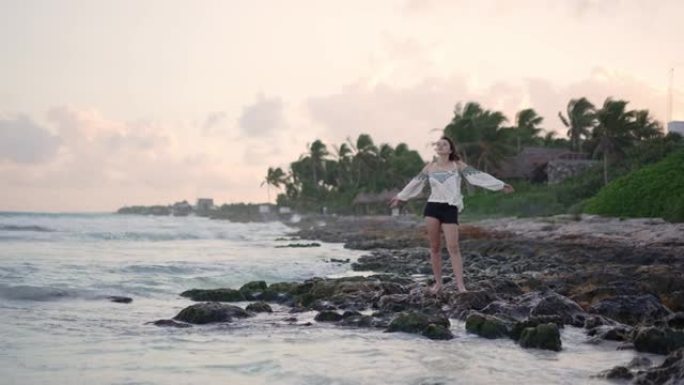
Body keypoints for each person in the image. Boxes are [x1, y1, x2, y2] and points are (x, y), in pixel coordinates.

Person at [389, 136, 514, 294]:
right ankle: (438, 284)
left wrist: (500, 185)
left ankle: (461, 286)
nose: (441, 146)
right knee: (434, 247)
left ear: (450, 149)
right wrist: (400, 197)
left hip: (450, 208)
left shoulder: (458, 166)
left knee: (453, 247)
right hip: (432, 207)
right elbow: (415, 183)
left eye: (444, 144)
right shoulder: (429, 168)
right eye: (438, 144)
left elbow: (478, 176)